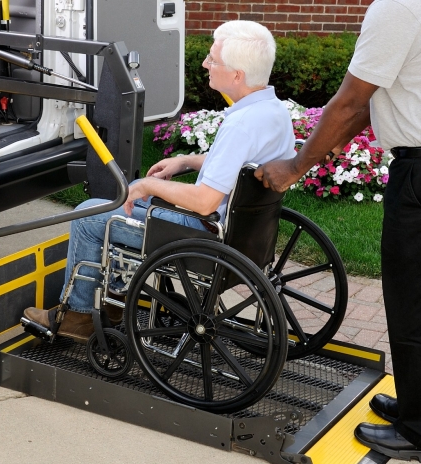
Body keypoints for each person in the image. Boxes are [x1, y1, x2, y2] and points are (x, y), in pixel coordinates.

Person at [255, 0, 421, 464]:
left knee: (417, 299)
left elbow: (352, 99)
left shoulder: (398, 7)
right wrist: (332, 137)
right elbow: (383, 93)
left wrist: (297, 166)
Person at [24, 20, 295, 342]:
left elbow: (205, 201)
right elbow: (242, 164)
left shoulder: (241, 124)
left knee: (90, 214)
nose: (206, 64)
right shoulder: (273, 111)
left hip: (203, 232)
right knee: (134, 204)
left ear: (237, 75)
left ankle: (79, 316)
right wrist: (185, 161)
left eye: (213, 59)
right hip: (243, 233)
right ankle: (113, 301)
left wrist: (147, 186)